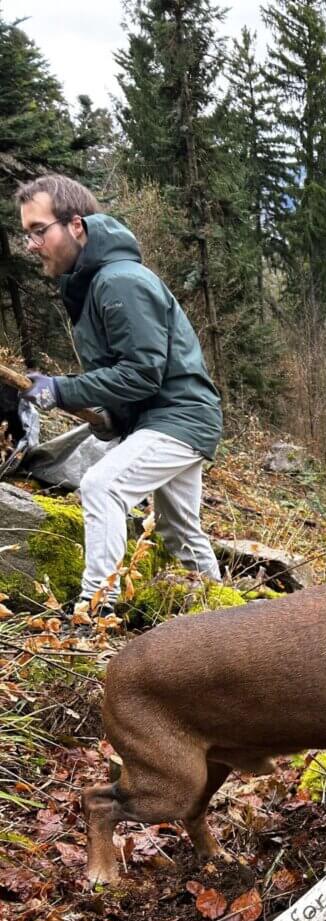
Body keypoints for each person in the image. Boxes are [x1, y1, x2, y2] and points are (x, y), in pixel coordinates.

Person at [15, 175, 222, 619]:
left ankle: (95, 609)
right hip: (164, 419)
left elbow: (142, 373)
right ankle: (221, 615)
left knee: (102, 485)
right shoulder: (93, 285)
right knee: (180, 532)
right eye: (27, 233)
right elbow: (127, 374)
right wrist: (107, 414)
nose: (31, 244)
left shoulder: (119, 281)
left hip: (179, 418)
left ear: (76, 225)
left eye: (38, 230)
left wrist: (62, 388)